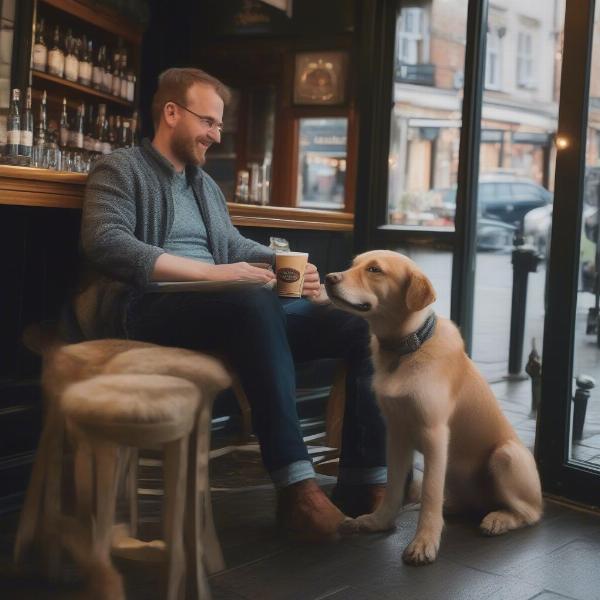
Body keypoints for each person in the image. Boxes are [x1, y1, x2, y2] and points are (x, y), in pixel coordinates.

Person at [78, 67, 387, 541]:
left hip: (231, 308)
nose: (216, 136)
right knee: (249, 299)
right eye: (209, 122)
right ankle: (296, 488)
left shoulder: (202, 185)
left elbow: (231, 245)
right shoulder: (120, 168)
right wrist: (213, 274)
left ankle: (366, 484)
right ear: (171, 113)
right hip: (150, 309)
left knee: (360, 325)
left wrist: (285, 265)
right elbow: (105, 241)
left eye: (219, 125)